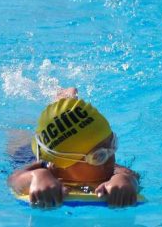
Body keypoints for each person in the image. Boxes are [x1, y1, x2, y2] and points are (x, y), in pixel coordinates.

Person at [8, 88, 139, 208]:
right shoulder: (46, 167)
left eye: (113, 145)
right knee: (19, 134)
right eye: (99, 156)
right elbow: (14, 179)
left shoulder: (108, 168)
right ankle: (63, 101)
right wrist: (37, 176)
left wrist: (125, 179)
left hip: (57, 147)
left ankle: (66, 101)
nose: (111, 160)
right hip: (25, 154)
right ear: (61, 166)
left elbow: (129, 174)